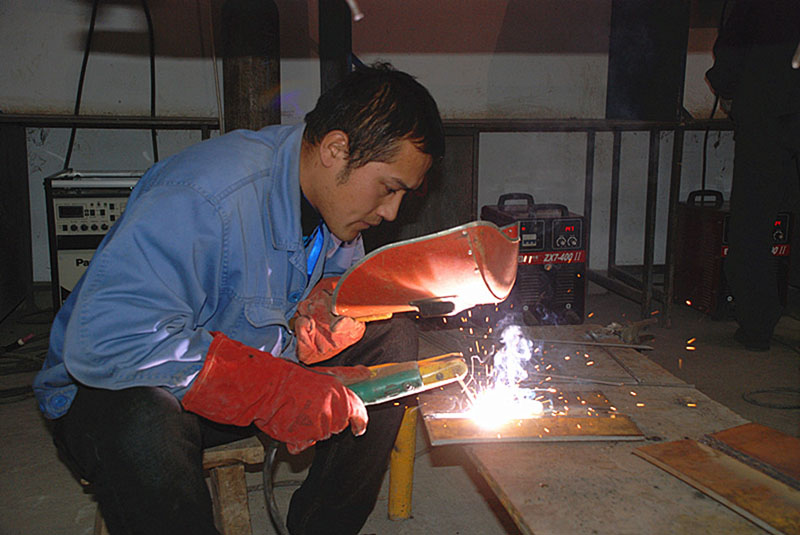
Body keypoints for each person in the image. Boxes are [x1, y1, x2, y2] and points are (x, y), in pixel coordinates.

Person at [33, 62, 444, 534]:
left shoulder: (336, 201)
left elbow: (334, 281)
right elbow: (109, 342)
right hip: (117, 391)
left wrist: (324, 303)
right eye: (388, 189)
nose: (391, 211)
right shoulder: (205, 195)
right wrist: (271, 389)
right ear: (336, 149)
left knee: (392, 335)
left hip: (250, 378)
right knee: (141, 419)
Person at [705, 0, 800, 351]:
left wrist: (727, 86)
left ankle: (757, 325)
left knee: (753, 221)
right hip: (772, 105)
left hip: (766, 109)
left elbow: (734, 44)